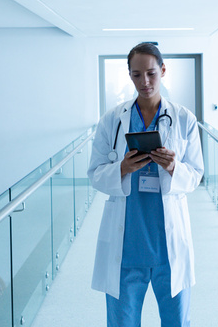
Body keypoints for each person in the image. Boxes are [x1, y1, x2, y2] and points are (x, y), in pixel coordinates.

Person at [88, 42, 204, 327]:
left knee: (176, 322)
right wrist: (122, 168)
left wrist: (173, 166)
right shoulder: (112, 120)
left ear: (163, 71)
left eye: (151, 73)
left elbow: (196, 174)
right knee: (122, 322)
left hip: (168, 246)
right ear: (129, 75)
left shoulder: (184, 119)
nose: (145, 82)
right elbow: (95, 173)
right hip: (127, 246)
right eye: (137, 74)